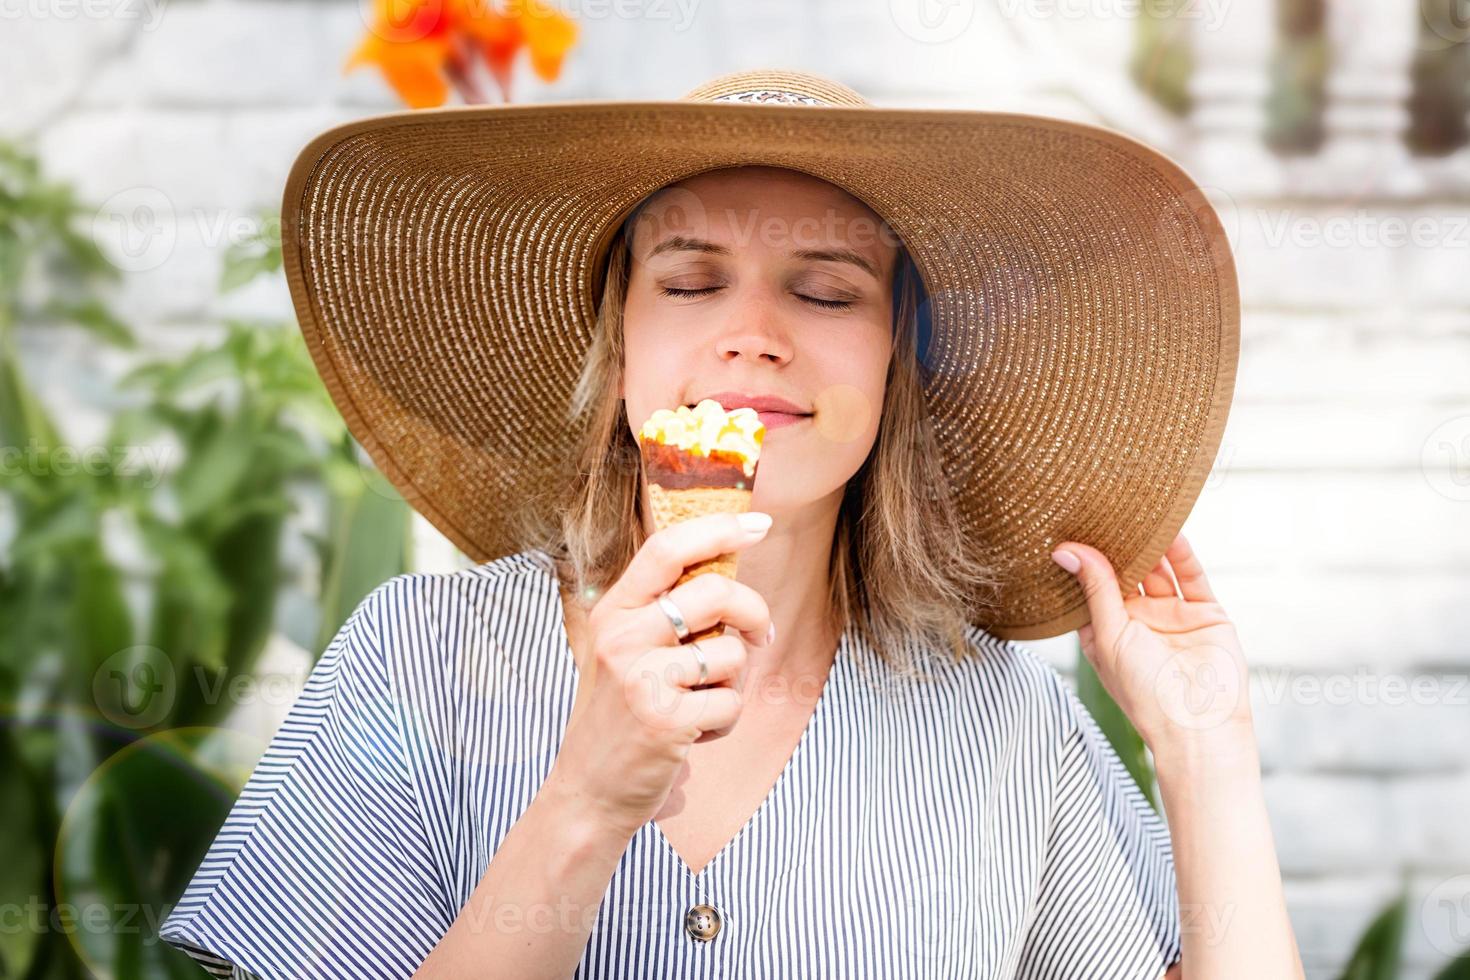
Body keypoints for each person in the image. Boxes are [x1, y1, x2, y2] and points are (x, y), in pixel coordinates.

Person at [160, 70, 1303, 978]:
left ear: (897, 361)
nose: (752, 333)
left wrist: (1205, 749)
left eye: (825, 290)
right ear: (619, 354)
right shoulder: (415, 656)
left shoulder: (1009, 723)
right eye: (692, 280)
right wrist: (591, 797)